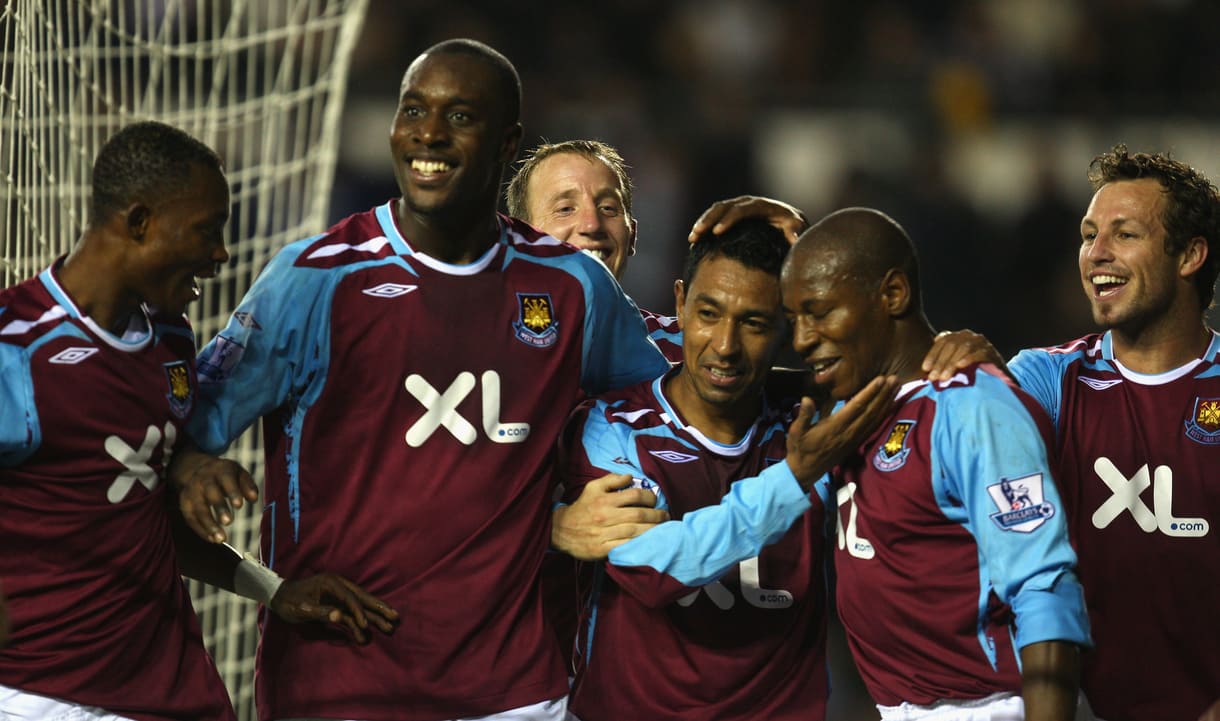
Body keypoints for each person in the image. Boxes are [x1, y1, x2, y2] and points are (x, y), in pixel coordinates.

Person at [172, 39, 671, 721]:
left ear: (507, 141)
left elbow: (673, 412)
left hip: (515, 694)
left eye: (460, 115)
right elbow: (178, 441)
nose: (428, 134)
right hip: (337, 686)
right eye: (414, 110)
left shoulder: (571, 286)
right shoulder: (315, 278)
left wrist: (581, 508)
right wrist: (198, 472)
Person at [0, 121, 394, 721]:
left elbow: (143, 517)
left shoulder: (171, 342)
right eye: (206, 230)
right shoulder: (18, 350)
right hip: (44, 695)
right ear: (139, 223)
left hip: (172, 692)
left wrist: (273, 590)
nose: (221, 255)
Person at [923, 146, 1220, 721]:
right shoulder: (1048, 377)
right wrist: (969, 386)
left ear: (1190, 255)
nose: (1095, 254)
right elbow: (925, 446)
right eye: (1089, 235)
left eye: (1124, 234)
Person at [557, 219, 895, 720]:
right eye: (709, 314)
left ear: (788, 326)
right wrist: (794, 478)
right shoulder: (612, 426)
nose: (725, 345)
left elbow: (897, 345)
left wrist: (957, 351)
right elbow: (655, 567)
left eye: (754, 323)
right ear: (680, 303)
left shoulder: (814, 424)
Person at [782, 207, 1092, 721]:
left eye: (818, 312)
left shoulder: (975, 406)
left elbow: (1045, 586)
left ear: (893, 294)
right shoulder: (846, 417)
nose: (800, 339)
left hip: (991, 707)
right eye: (794, 319)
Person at [505, 139, 807, 363]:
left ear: (632, 235)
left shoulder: (693, 347)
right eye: (565, 208)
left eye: (608, 208)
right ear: (517, 239)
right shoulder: (480, 341)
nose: (591, 223)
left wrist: (806, 248)